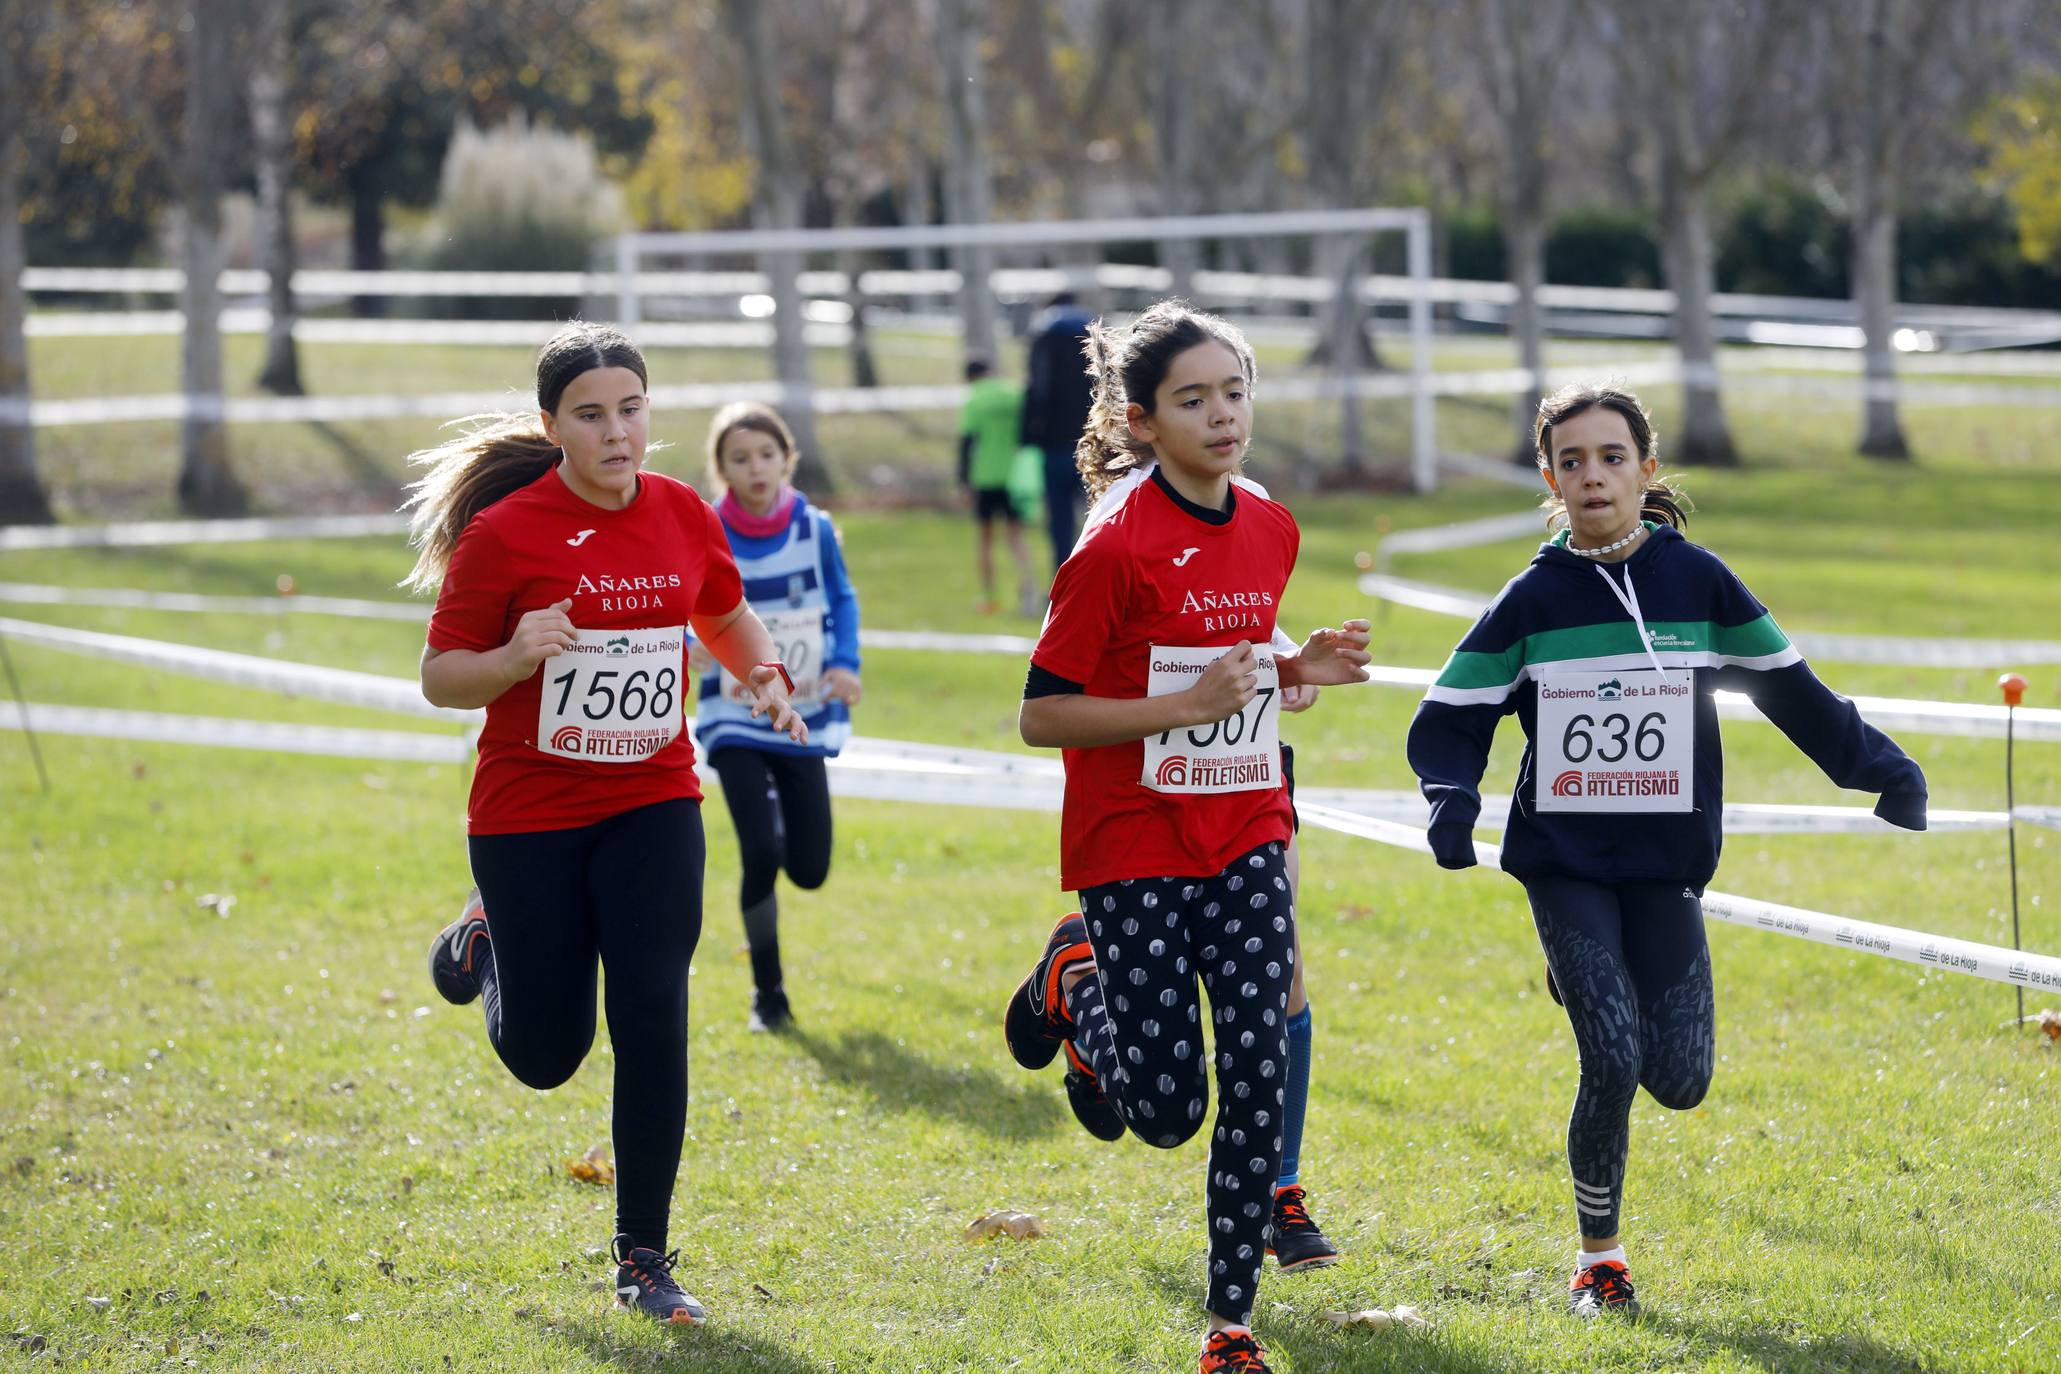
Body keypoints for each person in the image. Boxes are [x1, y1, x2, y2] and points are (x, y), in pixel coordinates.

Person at [1405, 382, 1928, 1319]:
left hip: (1665, 865)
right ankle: (1599, 1261)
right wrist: (1451, 801)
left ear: (1647, 471)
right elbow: (1448, 716)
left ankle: (1585, 975)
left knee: (1678, 1081)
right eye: (1572, 461)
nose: (1592, 476)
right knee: (1609, 1056)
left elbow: (1790, 689)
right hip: (1562, 860)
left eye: (1611, 458)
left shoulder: (1700, 584)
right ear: (1549, 478)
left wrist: (1881, 771)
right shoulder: (1529, 601)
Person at [402, 322, 805, 1327]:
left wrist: (760, 673)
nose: (617, 431)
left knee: (655, 1016)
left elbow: (723, 609)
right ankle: (485, 939)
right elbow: (439, 676)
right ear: (553, 426)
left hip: (653, 800)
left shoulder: (678, 514)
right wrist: (512, 657)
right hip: (528, 816)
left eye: (631, 409)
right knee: (547, 1054)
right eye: (592, 415)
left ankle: (643, 1258)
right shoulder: (508, 534)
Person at [1003, 299, 1372, 1374]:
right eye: (1193, 399)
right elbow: (1041, 712)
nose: (1223, 416)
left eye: (1235, 392)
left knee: (1258, 1062)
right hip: (1132, 839)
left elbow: (1242, 637)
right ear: (1143, 421)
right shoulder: (1112, 547)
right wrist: (1184, 707)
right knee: (1165, 1112)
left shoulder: (1269, 521)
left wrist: (1301, 669)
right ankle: (1076, 980)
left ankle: (1230, 1326)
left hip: (1247, 821)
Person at [689, 401, 861, 1032]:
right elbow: (685, 607)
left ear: (786, 459)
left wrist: (846, 662)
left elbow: (841, 597)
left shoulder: (813, 529)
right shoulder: (706, 528)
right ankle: (769, 994)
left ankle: (785, 824)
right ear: (721, 469)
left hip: (804, 709)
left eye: (766, 455)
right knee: (759, 850)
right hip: (732, 716)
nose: (755, 468)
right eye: (739, 458)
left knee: (810, 869)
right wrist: (694, 645)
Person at [1019, 291, 1096, 575]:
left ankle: (1064, 581)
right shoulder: (1094, 332)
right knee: (1101, 517)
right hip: (1095, 443)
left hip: (1055, 446)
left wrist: (1027, 438)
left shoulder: (1043, 336)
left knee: (1060, 521)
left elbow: (1036, 390)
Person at [957, 358, 1041, 616]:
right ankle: (1029, 591)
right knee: (1016, 538)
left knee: (985, 540)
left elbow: (967, 442)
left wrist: (964, 481)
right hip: (1014, 475)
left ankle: (990, 597)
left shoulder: (974, 399)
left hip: (986, 476)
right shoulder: (1013, 394)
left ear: (970, 377)